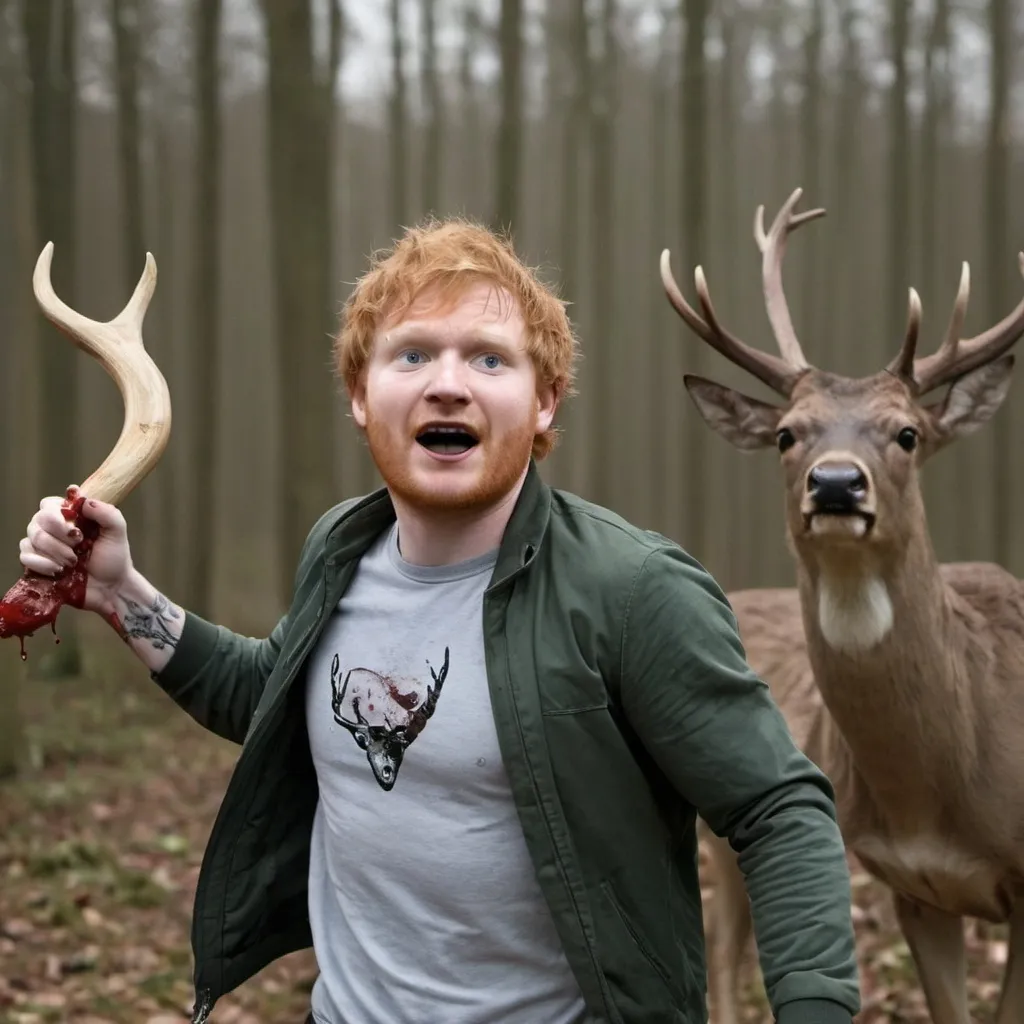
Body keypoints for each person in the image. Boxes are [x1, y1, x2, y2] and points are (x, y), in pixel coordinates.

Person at [19, 218, 861, 1024]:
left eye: (490, 359)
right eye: (412, 353)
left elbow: (778, 812)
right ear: (360, 394)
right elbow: (269, 696)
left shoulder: (631, 591)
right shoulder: (338, 551)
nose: (447, 381)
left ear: (545, 404)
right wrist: (121, 591)